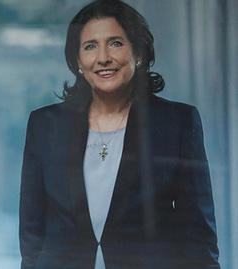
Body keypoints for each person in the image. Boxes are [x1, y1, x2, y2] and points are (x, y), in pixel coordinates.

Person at [19, 1, 219, 268]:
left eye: (115, 43)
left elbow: (198, 234)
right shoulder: (44, 125)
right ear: (78, 61)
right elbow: (32, 229)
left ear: (138, 53)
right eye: (90, 46)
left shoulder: (177, 122)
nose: (103, 57)